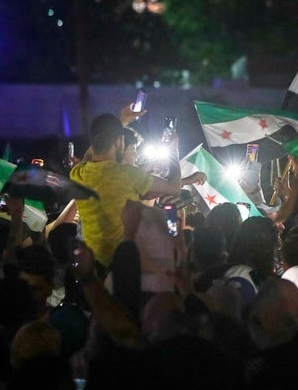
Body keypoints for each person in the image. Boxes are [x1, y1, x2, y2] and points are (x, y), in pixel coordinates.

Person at [69, 111, 203, 270]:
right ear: (118, 142)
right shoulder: (128, 175)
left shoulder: (77, 172)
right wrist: (174, 149)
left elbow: (90, 156)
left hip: (91, 264)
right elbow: (173, 188)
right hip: (121, 265)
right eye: (131, 147)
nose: (136, 154)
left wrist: (120, 124)